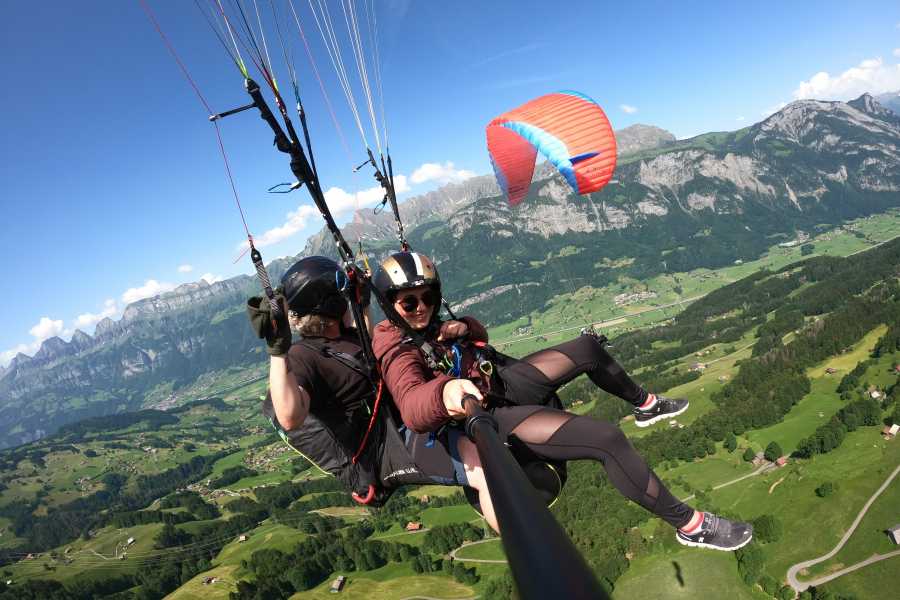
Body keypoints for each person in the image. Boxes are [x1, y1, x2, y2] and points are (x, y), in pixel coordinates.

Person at [370, 251, 754, 551]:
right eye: (409, 302)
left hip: (498, 380)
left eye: (428, 297)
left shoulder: (428, 322)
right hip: (485, 413)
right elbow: (411, 403)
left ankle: (646, 404)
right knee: (607, 439)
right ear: (390, 306)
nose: (421, 307)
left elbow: (480, 334)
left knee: (587, 349)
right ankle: (689, 525)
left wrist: (465, 327)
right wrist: (444, 393)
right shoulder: (393, 344)